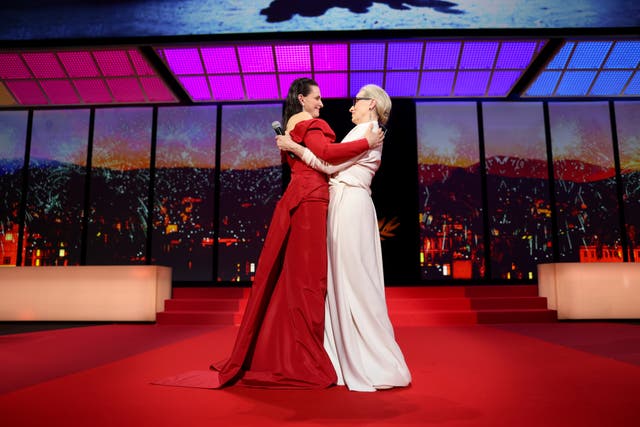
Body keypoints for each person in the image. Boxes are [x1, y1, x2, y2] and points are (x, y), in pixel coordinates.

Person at [153, 77, 384, 390]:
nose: (322, 103)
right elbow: (328, 156)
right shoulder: (312, 125)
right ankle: (302, 355)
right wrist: (367, 143)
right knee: (309, 280)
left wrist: (294, 147)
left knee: (292, 276)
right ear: (302, 99)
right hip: (312, 200)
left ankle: (284, 348)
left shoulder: (291, 127)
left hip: (300, 196)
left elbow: (316, 160)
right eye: (316, 97)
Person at [276, 84, 411, 392]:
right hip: (346, 205)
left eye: (356, 103)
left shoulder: (369, 133)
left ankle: (368, 360)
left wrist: (294, 147)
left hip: (350, 206)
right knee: (345, 281)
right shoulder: (364, 132)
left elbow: (327, 164)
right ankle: (347, 356)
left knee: (353, 282)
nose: (350, 108)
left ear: (372, 105)